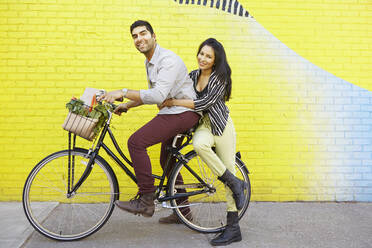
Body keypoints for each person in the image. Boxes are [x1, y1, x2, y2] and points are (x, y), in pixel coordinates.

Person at [99, 20, 200, 218]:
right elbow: (154, 93)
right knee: (167, 160)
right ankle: (184, 212)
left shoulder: (167, 60)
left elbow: (157, 96)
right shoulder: (151, 61)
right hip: (174, 112)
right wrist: (126, 104)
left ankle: (146, 200)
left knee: (136, 142)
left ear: (154, 36)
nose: (139, 39)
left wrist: (124, 91)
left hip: (183, 113)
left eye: (143, 33)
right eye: (135, 36)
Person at [160, 38, 246, 246]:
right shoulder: (193, 75)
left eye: (208, 56)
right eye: (201, 53)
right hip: (205, 127)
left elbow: (202, 103)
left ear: (215, 61)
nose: (203, 58)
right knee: (199, 145)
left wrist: (173, 102)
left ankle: (233, 228)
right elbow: (179, 91)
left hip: (223, 127)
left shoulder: (220, 77)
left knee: (227, 172)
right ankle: (233, 181)